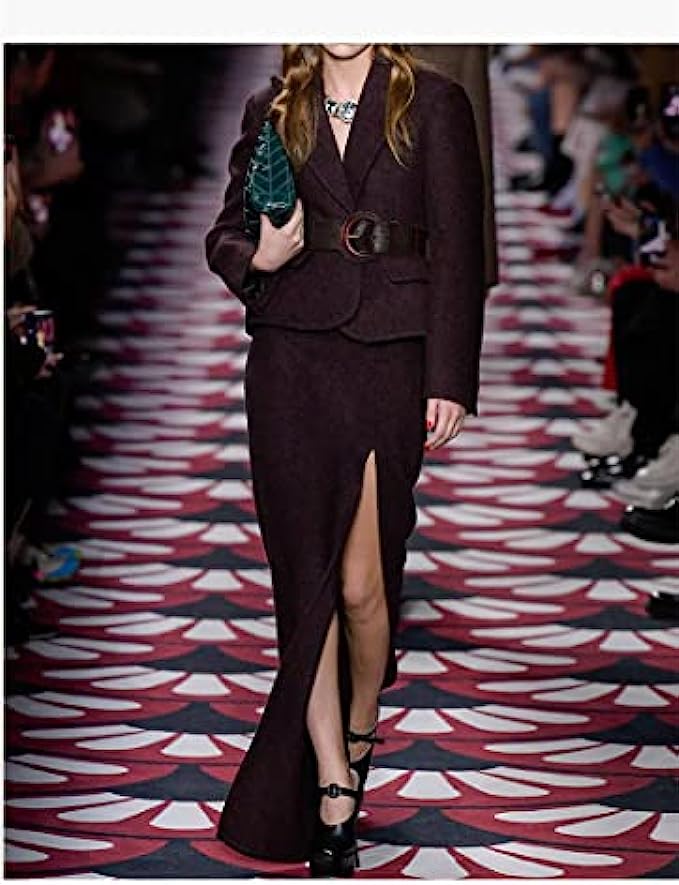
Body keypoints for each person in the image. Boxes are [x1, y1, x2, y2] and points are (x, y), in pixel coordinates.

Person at [204, 43, 486, 876]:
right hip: (289, 355)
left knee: (363, 585)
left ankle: (359, 730)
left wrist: (450, 376)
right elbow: (225, 233)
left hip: (389, 351)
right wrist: (259, 259)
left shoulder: (432, 102)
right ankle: (333, 784)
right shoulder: (272, 107)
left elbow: (458, 245)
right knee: (307, 585)